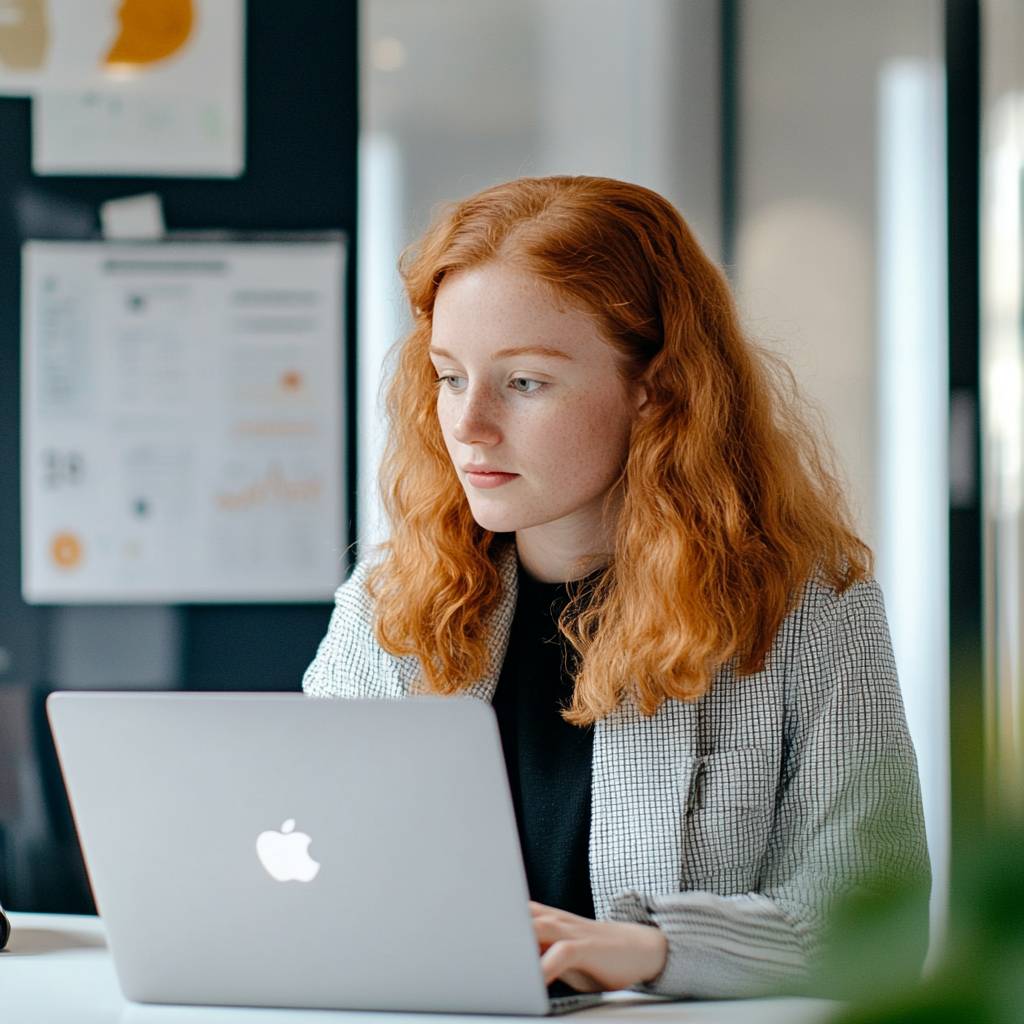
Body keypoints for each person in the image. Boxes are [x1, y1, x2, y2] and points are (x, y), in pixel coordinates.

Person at [302, 174, 930, 999]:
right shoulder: (387, 603)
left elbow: (876, 932)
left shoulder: (810, 611)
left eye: (524, 382)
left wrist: (653, 949)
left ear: (657, 388)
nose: (468, 424)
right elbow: (308, 869)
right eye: (450, 376)